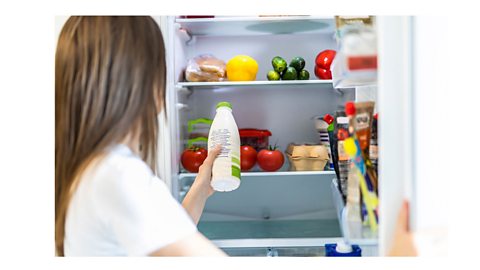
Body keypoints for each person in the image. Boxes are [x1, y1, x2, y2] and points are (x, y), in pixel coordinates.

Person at [55, 16, 226, 256]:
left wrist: (199, 188)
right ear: (147, 82)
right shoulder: (118, 175)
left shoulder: (91, 166)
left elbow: (156, 239)